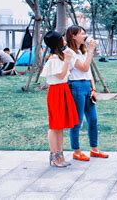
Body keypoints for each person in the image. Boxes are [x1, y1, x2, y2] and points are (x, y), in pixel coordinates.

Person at [65, 25, 109, 161]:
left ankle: (94, 149)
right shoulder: (69, 52)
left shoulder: (82, 51)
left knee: (93, 119)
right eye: (81, 33)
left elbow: (89, 72)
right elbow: (83, 68)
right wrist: (91, 51)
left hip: (87, 86)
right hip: (76, 86)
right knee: (77, 121)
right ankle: (76, 150)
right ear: (73, 36)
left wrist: (93, 89)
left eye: (85, 33)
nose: (85, 36)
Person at [40, 31, 79, 167]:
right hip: (56, 92)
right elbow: (61, 74)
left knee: (60, 126)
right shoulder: (53, 59)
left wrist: (67, 59)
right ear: (57, 42)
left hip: (63, 90)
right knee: (54, 125)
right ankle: (54, 156)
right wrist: (67, 60)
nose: (64, 39)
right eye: (61, 38)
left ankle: (60, 155)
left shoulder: (59, 57)